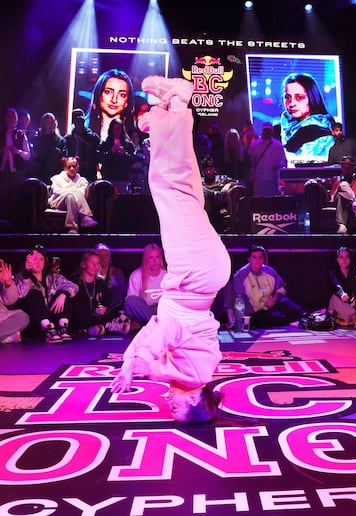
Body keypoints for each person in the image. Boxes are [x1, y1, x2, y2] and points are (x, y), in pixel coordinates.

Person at [111, 76, 232, 424]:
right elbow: (164, 331)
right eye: (176, 407)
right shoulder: (192, 371)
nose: (168, 403)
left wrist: (132, 365)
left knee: (186, 189)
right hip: (195, 273)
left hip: (203, 274)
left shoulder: (199, 373)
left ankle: (164, 118)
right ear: (195, 398)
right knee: (166, 186)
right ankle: (179, 102)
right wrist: (132, 368)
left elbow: (161, 330)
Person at [230, 244, 305, 329]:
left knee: (292, 306)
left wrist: (274, 299)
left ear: (263, 259)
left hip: (272, 306)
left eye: (260, 257)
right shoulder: (240, 275)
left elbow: (281, 289)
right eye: (254, 257)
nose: (257, 261)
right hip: (255, 312)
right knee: (277, 318)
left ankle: (309, 319)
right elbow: (239, 300)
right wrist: (240, 322)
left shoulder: (269, 271)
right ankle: (292, 321)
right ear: (249, 259)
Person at [14, 245, 78, 343]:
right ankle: (48, 328)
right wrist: (27, 272)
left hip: (53, 318)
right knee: (35, 293)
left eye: (41, 259)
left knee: (65, 293)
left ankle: (63, 328)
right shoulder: (22, 277)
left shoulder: (54, 277)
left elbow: (74, 286)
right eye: (35, 259)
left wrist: (64, 294)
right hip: (34, 323)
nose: (38, 262)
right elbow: (20, 294)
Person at [277, 73, 335, 164]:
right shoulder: (281, 128)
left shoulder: (323, 132)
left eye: (299, 97)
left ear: (312, 97)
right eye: (287, 97)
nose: (292, 103)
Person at [0, 107, 31, 222]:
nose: (10, 120)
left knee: (15, 196)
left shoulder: (20, 135)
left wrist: (17, 151)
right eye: (8, 117)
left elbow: (28, 155)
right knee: (1, 196)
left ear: (16, 120)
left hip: (16, 171)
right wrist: (0, 150)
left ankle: (14, 223)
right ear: (5, 119)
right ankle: (0, 223)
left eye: (13, 117)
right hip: (1, 169)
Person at [48, 156, 98, 233]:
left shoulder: (82, 180)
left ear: (78, 168)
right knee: (73, 193)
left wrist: (69, 192)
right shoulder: (57, 178)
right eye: (69, 167)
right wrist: (73, 190)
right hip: (58, 202)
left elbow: (82, 193)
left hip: (74, 202)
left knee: (71, 196)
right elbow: (56, 191)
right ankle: (85, 217)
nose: (72, 169)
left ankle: (72, 228)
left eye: (74, 166)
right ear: (65, 168)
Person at [69, 251, 114, 335]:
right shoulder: (75, 282)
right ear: (83, 264)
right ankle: (102, 327)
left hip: (97, 317)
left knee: (113, 311)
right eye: (92, 263)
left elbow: (106, 301)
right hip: (80, 318)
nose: (95, 266)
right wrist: (93, 311)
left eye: (97, 263)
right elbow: (75, 307)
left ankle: (102, 327)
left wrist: (104, 308)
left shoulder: (101, 283)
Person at [86, 68, 136, 143]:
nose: (114, 100)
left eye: (122, 95)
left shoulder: (134, 136)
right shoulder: (82, 131)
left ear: (127, 102)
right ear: (98, 95)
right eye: (108, 92)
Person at [329, 155, 356, 234]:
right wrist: (311, 181)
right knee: (343, 184)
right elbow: (321, 182)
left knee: (340, 196)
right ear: (341, 168)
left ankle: (342, 225)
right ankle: (354, 204)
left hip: (344, 202)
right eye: (344, 167)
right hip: (338, 201)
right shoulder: (335, 179)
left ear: (353, 168)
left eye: (349, 167)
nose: (346, 169)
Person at [248, 121, 287, 197]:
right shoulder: (255, 144)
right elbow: (250, 161)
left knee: (271, 202)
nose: (267, 132)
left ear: (272, 131)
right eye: (265, 130)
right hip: (258, 179)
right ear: (262, 130)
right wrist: (251, 175)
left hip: (272, 180)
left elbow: (283, 160)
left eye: (269, 130)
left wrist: (278, 165)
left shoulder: (277, 145)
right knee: (259, 201)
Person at [61, 108, 101, 181]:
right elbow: (64, 155)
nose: (79, 124)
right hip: (73, 171)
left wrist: (90, 161)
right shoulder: (68, 139)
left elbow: (98, 154)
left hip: (89, 172)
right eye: (77, 121)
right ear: (74, 122)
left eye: (81, 121)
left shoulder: (93, 138)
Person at [328, 247, 356, 326]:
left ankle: (353, 317)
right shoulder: (333, 273)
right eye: (341, 257)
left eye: (347, 257)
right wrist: (342, 294)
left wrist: (355, 297)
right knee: (335, 298)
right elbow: (336, 285)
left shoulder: (355, 273)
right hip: (338, 304)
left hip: (351, 304)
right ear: (337, 259)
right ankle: (354, 317)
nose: (344, 260)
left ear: (350, 259)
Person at [31, 112, 64, 183]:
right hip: (41, 174)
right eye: (47, 122)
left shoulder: (60, 140)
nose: (50, 125)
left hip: (55, 174)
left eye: (52, 122)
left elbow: (63, 157)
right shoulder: (37, 139)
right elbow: (36, 156)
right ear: (43, 124)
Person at [94, 243, 127, 312]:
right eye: (100, 256)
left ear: (109, 257)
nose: (103, 258)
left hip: (113, 309)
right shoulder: (92, 273)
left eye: (106, 255)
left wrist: (108, 308)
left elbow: (122, 295)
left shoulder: (117, 272)